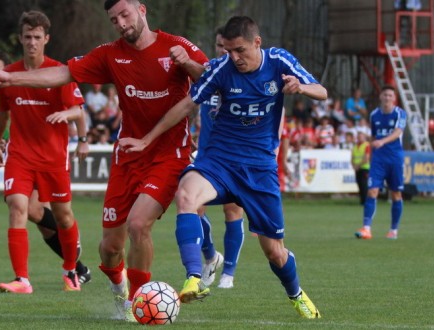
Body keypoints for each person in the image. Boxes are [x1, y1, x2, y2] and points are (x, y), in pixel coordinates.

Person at [0, 0, 208, 321]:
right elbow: (62, 73)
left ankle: (136, 303)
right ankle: (120, 290)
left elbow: (210, 79)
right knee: (109, 248)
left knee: (138, 224)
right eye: (114, 19)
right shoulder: (109, 54)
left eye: (125, 14)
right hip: (127, 156)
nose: (120, 22)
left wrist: (187, 63)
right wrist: (11, 79)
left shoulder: (176, 46)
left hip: (168, 155)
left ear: (141, 10)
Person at [118, 15, 326, 319]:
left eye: (239, 50)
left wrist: (302, 88)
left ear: (257, 42)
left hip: (259, 169)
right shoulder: (220, 69)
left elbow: (322, 90)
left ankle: (296, 294)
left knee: (275, 252)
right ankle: (194, 278)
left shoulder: (279, 61)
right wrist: (147, 139)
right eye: (228, 51)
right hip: (219, 161)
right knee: (186, 195)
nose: (234, 58)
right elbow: (187, 104)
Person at [0, 11, 86, 295]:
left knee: (64, 216)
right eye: (27, 37)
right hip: (20, 155)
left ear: (46, 39)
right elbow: (3, 113)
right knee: (17, 207)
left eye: (37, 37)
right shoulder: (11, 74)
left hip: (53, 158)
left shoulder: (59, 72)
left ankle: (71, 270)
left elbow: (78, 110)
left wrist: (66, 117)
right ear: (20, 38)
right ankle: (22, 280)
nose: (31, 42)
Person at [196, 27, 245, 290]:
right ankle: (211, 256)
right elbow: (192, 103)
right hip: (206, 155)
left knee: (232, 209)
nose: (224, 51)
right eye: (219, 45)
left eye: (229, 46)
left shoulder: (244, 77)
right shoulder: (209, 73)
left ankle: (229, 272)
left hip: (235, 156)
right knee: (193, 206)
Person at [355, 86, 406, 240]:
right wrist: (371, 153)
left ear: (394, 98)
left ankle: (393, 230)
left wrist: (382, 141)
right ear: (381, 97)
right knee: (372, 191)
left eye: (390, 95)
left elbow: (398, 132)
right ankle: (366, 228)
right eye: (385, 95)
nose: (387, 98)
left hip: (395, 158)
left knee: (396, 193)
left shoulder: (399, 113)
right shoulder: (374, 115)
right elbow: (373, 137)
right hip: (378, 160)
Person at [351, 132, 371, 205]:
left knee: (364, 185)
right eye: (358, 137)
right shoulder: (355, 146)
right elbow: (352, 157)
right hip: (357, 168)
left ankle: (365, 201)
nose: (359, 138)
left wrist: (358, 165)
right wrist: (353, 165)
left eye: (361, 137)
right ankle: (362, 200)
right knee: (359, 184)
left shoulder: (366, 145)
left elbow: (366, 157)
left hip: (364, 167)